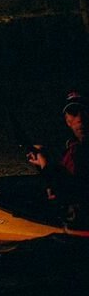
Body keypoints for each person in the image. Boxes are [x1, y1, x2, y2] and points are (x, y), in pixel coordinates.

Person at [26, 90, 89, 227]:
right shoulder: (72, 147)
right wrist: (42, 161)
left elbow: (72, 191)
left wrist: (45, 163)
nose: (80, 119)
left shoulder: (80, 151)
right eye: (73, 113)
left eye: (84, 112)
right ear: (67, 121)